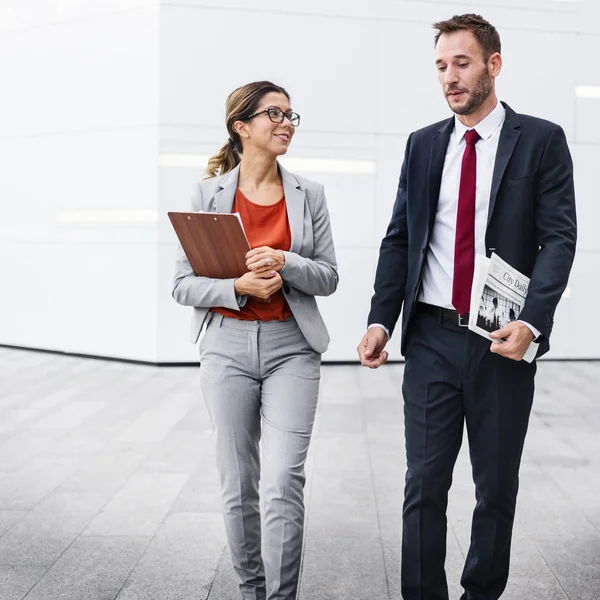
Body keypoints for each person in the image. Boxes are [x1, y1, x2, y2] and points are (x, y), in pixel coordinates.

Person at [357, 14, 576, 600]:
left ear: (493, 65)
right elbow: (401, 236)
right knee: (423, 482)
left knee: (495, 485)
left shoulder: (542, 140)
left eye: (461, 63)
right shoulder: (424, 144)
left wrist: (532, 322)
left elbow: (559, 239)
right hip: (430, 334)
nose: (449, 77)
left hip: (501, 339)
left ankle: (481, 592)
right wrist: (382, 319)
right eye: (440, 66)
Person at [172, 81, 338, 600]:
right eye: (274, 113)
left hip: (293, 345)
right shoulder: (208, 194)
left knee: (283, 479)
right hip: (226, 346)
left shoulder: (310, 193)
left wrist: (286, 262)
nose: (286, 122)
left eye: (291, 114)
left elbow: (329, 276)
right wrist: (236, 287)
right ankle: (251, 591)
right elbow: (182, 284)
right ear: (242, 127)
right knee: (239, 483)